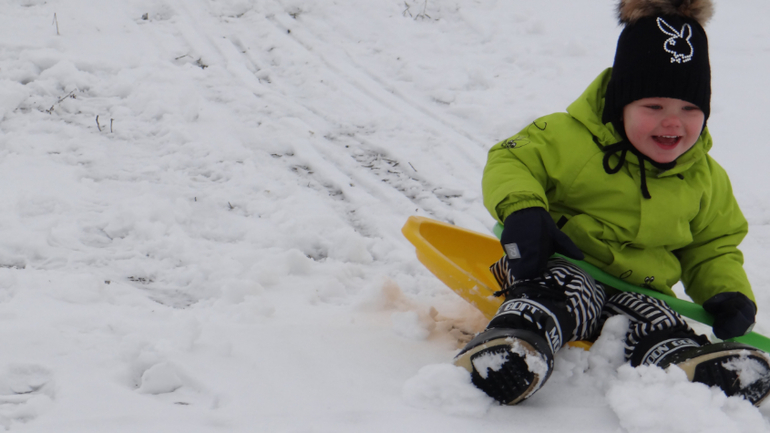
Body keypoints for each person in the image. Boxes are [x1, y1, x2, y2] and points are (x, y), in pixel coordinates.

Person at [453, 0, 770, 406]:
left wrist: (728, 293)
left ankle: (685, 366)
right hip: (559, 266)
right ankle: (515, 348)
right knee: (561, 291)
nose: (673, 122)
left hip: (637, 290)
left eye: (690, 109)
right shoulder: (568, 137)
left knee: (657, 319)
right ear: (620, 103)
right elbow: (511, 160)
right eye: (653, 106)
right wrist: (524, 209)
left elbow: (713, 247)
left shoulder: (705, 177)